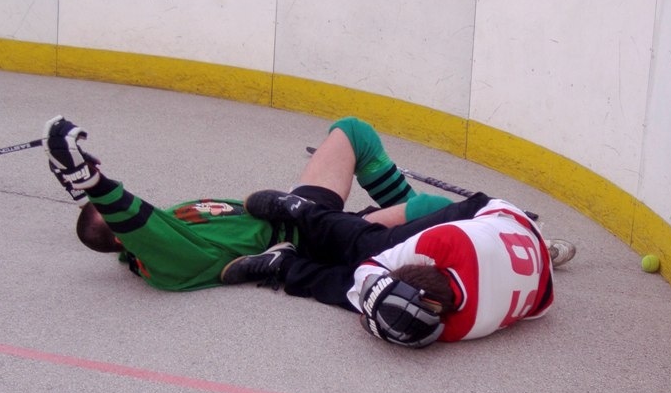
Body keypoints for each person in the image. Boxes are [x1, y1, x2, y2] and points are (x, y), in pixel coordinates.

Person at [44, 114, 548, 291]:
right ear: (123, 239)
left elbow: (140, 216)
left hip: (298, 209)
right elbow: (137, 224)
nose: (140, 206)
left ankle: (425, 231)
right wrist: (94, 184)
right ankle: (509, 236)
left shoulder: (168, 219)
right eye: (121, 215)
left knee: (352, 132)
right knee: (424, 210)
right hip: (311, 240)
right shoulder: (165, 262)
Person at [222, 190, 564, 348]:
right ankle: (302, 210)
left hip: (517, 258)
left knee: (378, 304)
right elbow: (368, 270)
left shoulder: (458, 328)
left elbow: (541, 308)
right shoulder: (446, 242)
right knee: (369, 245)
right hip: (490, 215)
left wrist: (375, 307)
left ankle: (284, 265)